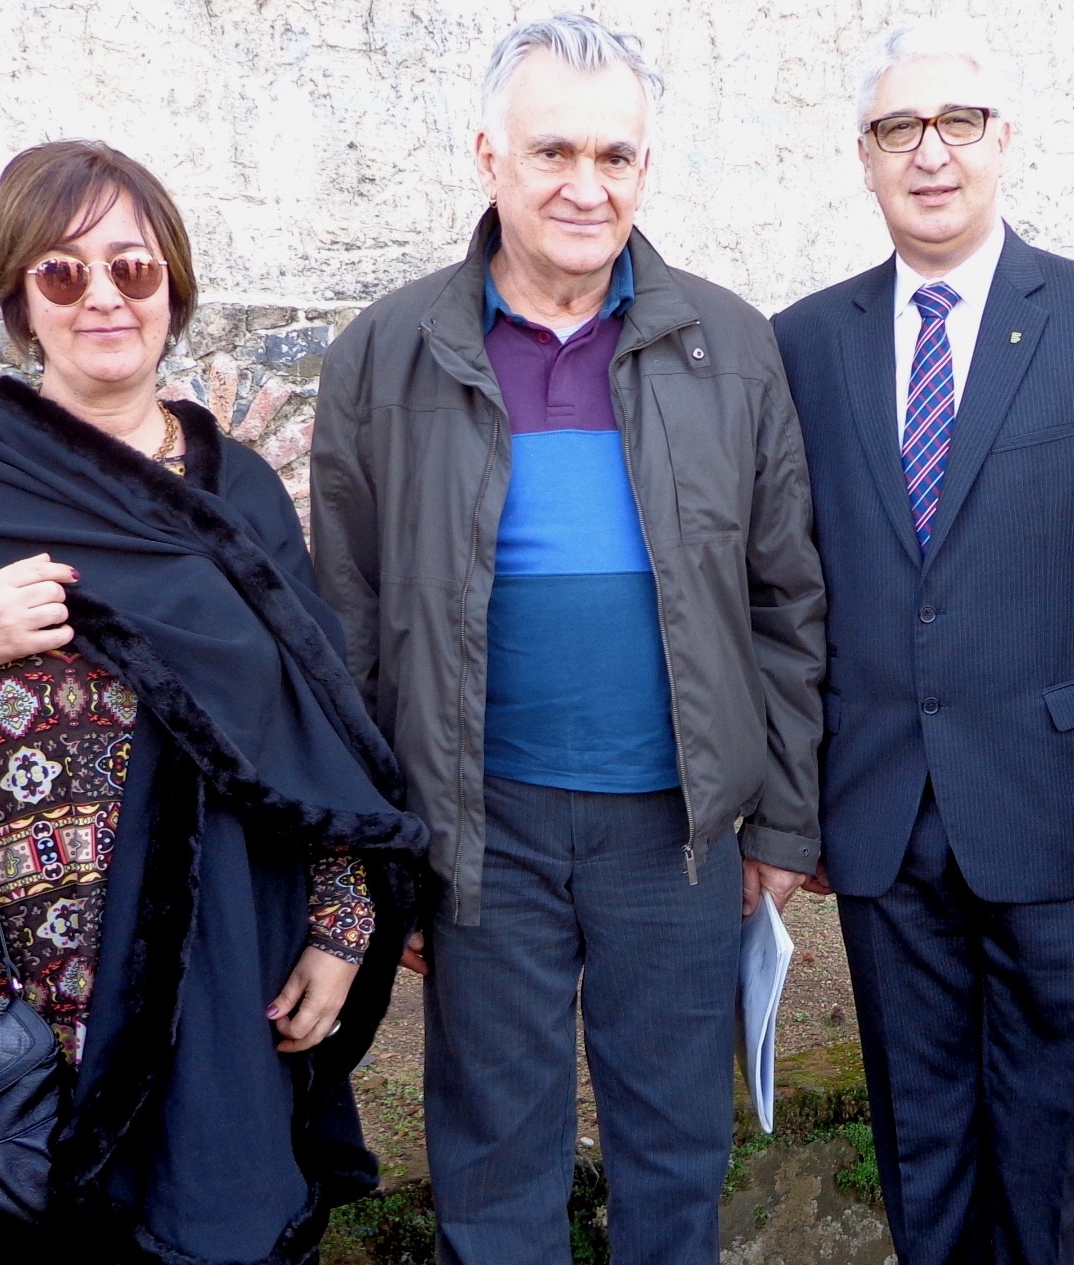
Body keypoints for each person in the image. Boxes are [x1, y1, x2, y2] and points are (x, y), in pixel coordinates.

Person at [0, 140, 424, 1264]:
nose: (102, 297)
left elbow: (324, 729)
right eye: (62, 273)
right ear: (21, 302)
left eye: (132, 267)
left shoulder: (240, 497)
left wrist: (341, 928)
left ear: (172, 288)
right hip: (8, 1026)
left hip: (221, 974)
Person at [309, 13, 826, 1263]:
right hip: (483, 829)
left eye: (614, 155)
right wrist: (384, 854)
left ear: (645, 167)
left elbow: (785, 601)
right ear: (487, 155)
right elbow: (348, 626)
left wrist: (782, 822)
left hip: (678, 832)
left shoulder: (729, 345)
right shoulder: (386, 352)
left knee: (675, 1156)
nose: (584, 185)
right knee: (492, 1161)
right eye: (552, 151)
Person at [772, 23, 1074, 1264]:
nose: (930, 153)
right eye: (898, 129)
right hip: (879, 810)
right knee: (921, 1144)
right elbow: (787, 587)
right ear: (862, 156)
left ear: (1001, 140)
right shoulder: (805, 340)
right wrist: (795, 803)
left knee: (1041, 1138)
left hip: (1060, 814)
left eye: (956, 123)